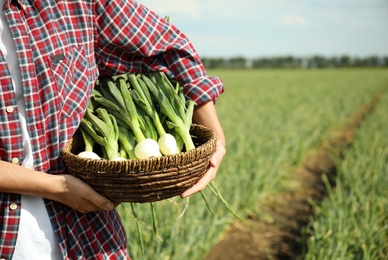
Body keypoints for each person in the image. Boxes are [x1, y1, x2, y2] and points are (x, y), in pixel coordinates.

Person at [0, 0, 226, 259]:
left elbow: (169, 48)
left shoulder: (79, 4)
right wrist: (58, 187)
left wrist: (216, 139)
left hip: (88, 236)